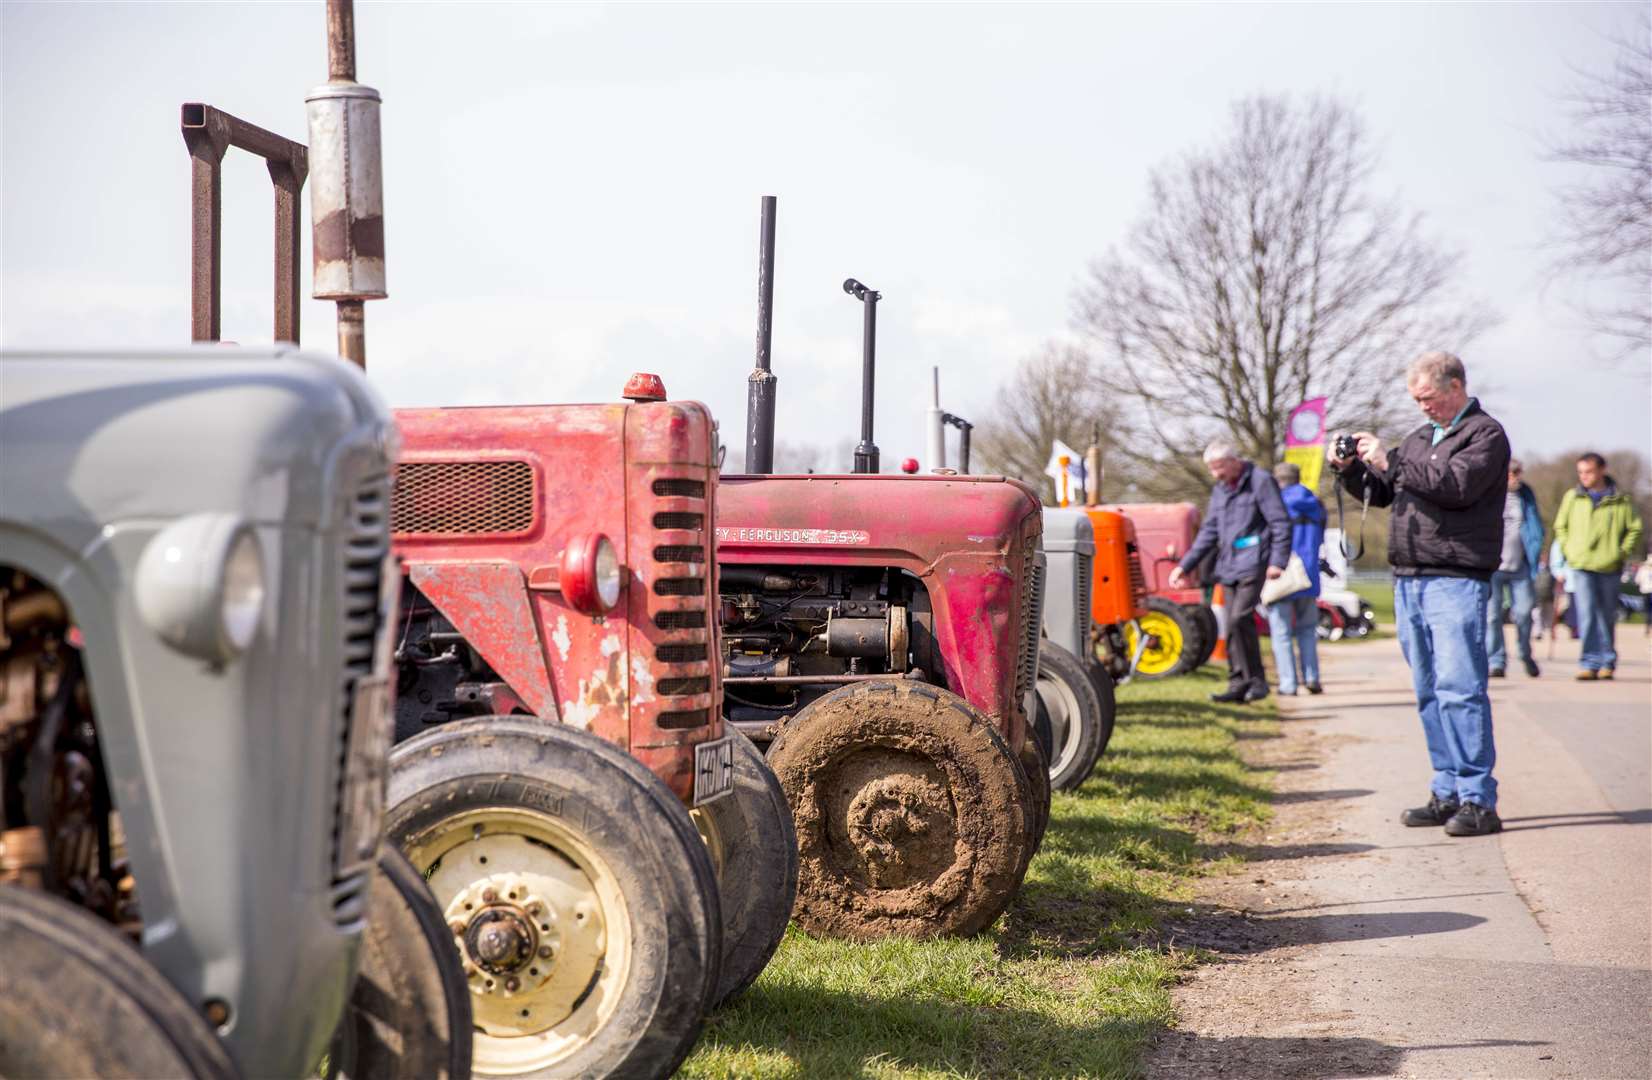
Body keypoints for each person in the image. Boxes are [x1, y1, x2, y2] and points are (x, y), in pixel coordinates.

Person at [1330, 351, 1509, 838]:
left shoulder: (1485, 435)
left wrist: (1392, 460)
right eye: (1416, 400)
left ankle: (1478, 799)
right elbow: (1386, 490)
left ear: (1455, 386)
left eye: (1428, 398)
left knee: (1460, 688)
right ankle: (1446, 789)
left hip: (1454, 578)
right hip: (1408, 577)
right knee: (1429, 691)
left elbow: (1456, 487)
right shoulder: (1417, 439)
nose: (1422, 407)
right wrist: (1351, 470)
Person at [1169, 442, 1290, 704]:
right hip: (1229, 565)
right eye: (1212, 469)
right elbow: (1209, 531)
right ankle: (1239, 682)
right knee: (1232, 622)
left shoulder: (1260, 481)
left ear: (1234, 461)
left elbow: (1280, 522)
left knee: (1239, 618)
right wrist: (1185, 565)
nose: (1216, 475)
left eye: (1219, 468)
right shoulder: (1221, 490)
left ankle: (1256, 681)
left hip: (1255, 561)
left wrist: (1278, 561)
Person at [1552, 452, 1645, 681]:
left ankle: (1607, 660)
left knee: (1606, 615)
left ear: (1602, 470)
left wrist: (1621, 552)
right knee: (1586, 615)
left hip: (1609, 565)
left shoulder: (1620, 499)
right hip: (1581, 564)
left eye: (1589, 472)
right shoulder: (1572, 497)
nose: (1584, 477)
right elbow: (1560, 527)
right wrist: (1570, 551)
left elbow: (1635, 528)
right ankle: (1589, 662)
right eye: (1580, 472)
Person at [1265, 462, 1325, 696]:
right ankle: (1312, 678)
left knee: (1281, 632)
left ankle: (1288, 684)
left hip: (1282, 573)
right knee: (1308, 630)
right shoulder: (1316, 504)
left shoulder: (1276, 503)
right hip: (1309, 575)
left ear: (1277, 481)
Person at [1486, 459, 1544, 678]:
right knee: (1492, 616)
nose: (1515, 476)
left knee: (1523, 614)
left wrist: (1535, 551)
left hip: (1520, 565)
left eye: (1518, 472)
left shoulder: (1526, 495)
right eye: (1510, 472)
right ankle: (1496, 661)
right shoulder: (1489, 494)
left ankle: (1525, 654)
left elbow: (1535, 527)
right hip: (1493, 566)